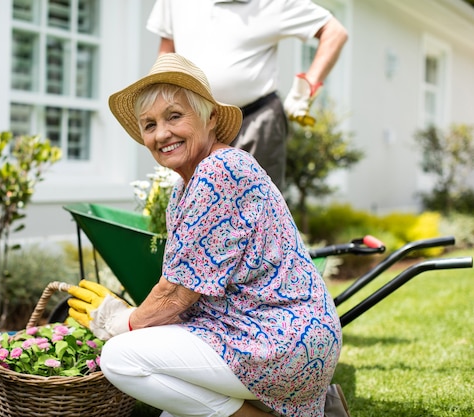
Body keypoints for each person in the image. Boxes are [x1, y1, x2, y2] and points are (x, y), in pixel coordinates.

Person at [66, 53, 345, 417]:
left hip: (279, 338)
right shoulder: (187, 186)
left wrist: (123, 323)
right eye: (148, 124)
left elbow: (179, 293)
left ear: (210, 117)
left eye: (174, 116)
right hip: (256, 331)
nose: (161, 133)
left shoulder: (220, 170)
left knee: (120, 358)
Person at [146, 0, 348, 190]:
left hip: (256, 122)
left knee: (258, 208)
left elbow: (334, 32)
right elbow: (167, 50)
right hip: (195, 124)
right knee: (196, 203)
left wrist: (306, 88)